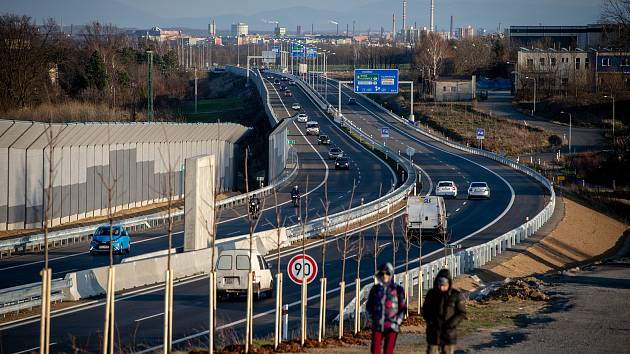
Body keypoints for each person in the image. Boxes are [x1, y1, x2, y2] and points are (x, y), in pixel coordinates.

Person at [422, 268, 467, 354]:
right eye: (440, 285)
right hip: (433, 332)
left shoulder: (456, 295)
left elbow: (461, 313)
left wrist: (451, 324)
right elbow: (425, 309)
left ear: (449, 283)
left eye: (444, 285)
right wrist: (430, 321)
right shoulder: (431, 294)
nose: (442, 288)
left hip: (449, 333)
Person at [366, 262, 407, 354]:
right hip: (377, 325)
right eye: (382, 273)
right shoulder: (375, 289)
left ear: (391, 274)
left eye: (387, 273)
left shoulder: (398, 289)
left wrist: (398, 321)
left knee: (388, 351)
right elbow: (369, 305)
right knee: (375, 350)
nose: (384, 276)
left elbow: (402, 307)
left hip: (392, 325)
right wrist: (371, 318)